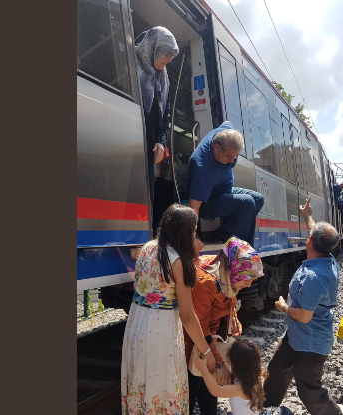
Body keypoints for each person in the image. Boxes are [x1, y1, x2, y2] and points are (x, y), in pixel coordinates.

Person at [121, 204, 215, 415]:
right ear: (184, 231)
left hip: (137, 324)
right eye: (193, 230)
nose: (194, 234)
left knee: (140, 380)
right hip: (159, 331)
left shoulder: (147, 249)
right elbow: (187, 315)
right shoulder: (178, 262)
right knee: (162, 384)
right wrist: (205, 350)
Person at [263, 196, 343, 415]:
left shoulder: (314, 277)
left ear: (310, 242)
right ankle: (266, 409)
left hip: (310, 343)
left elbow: (304, 316)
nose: (308, 235)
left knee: (309, 390)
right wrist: (307, 216)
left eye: (310, 235)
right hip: (297, 338)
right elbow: (315, 233)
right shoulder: (328, 259)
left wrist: (283, 307)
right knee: (277, 371)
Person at [184, 237, 264, 415]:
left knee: (206, 385)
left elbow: (230, 293)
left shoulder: (225, 269)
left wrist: (232, 314)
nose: (249, 284)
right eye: (247, 279)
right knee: (193, 384)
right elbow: (200, 326)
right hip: (194, 342)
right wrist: (217, 361)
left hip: (206, 340)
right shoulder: (206, 283)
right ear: (235, 270)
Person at [188, 121, 264, 247]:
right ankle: (245, 252)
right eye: (229, 156)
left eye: (235, 157)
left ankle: (225, 232)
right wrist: (191, 238)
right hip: (208, 203)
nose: (232, 161)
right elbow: (193, 207)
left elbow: (227, 122)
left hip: (225, 191)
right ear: (217, 147)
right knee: (247, 202)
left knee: (258, 199)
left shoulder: (225, 132)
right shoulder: (202, 167)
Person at [134, 26, 179, 232]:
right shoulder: (132, 67)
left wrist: (161, 141)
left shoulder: (164, 79)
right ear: (153, 47)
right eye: (168, 54)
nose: (170, 60)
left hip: (150, 145)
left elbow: (165, 116)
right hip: (133, 138)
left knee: (148, 194)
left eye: (172, 55)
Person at [194, 339, 266, 415]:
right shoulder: (252, 379)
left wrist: (202, 368)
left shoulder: (240, 389)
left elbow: (216, 391)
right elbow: (217, 380)